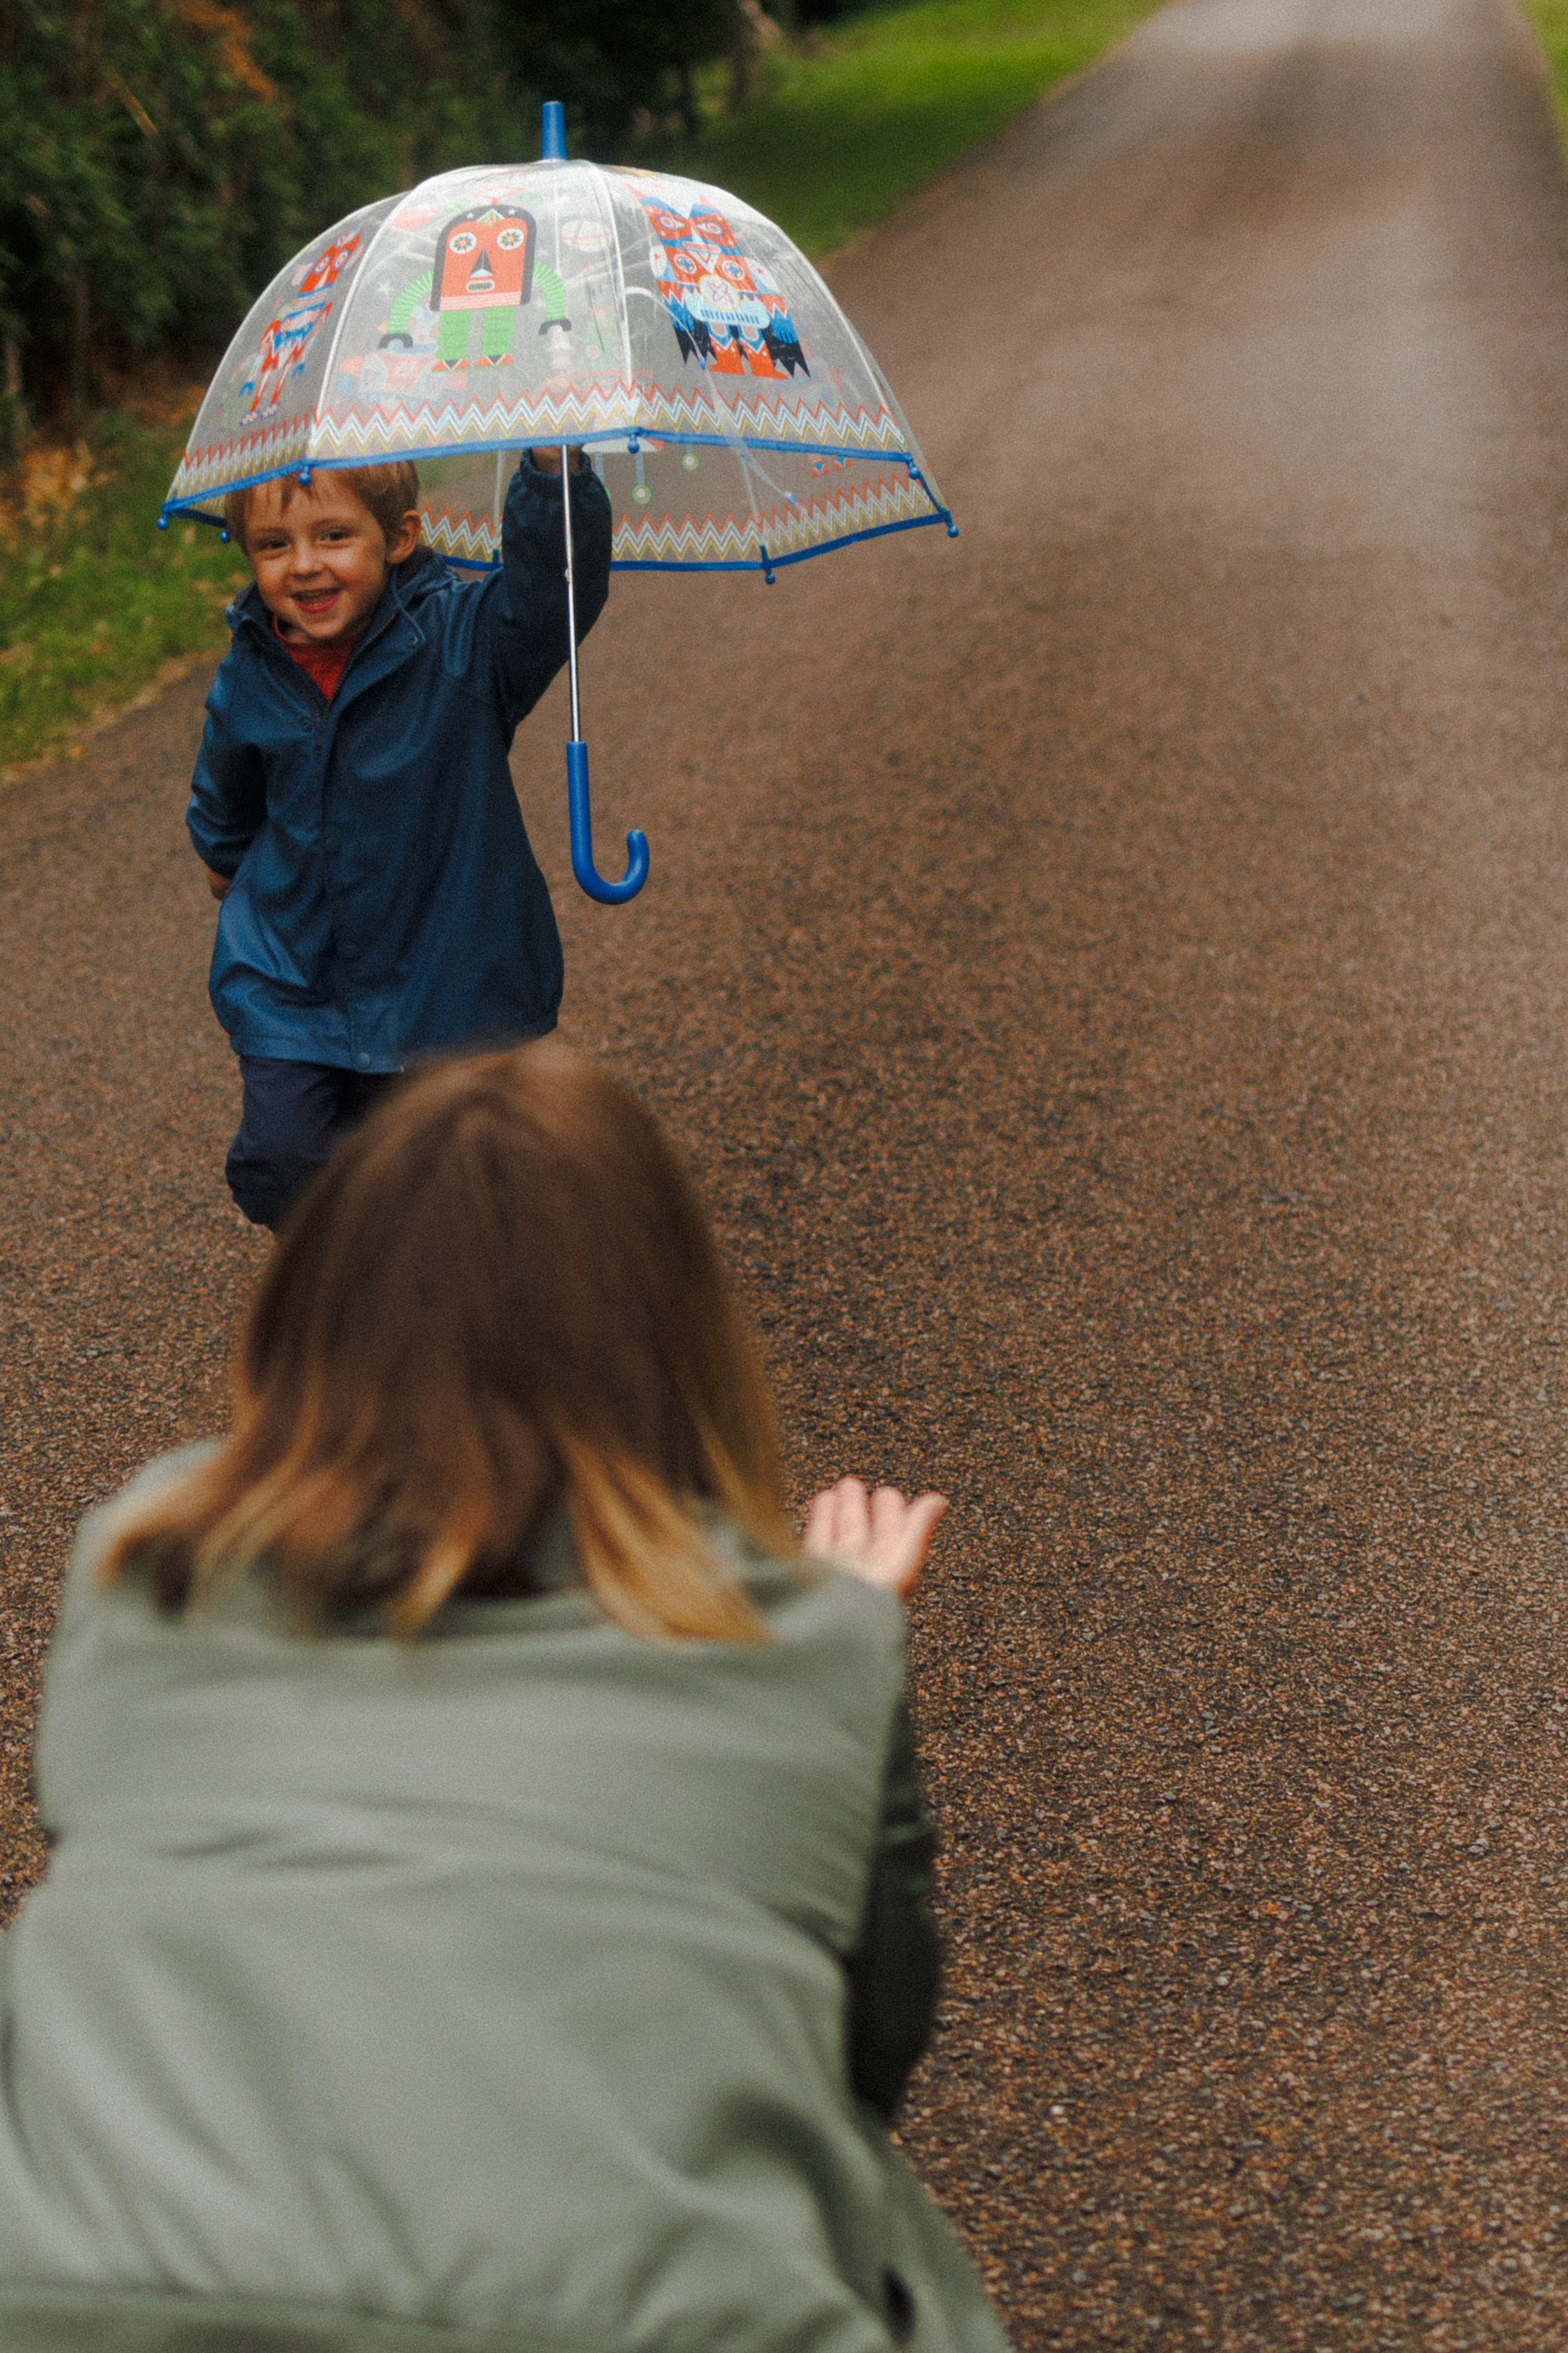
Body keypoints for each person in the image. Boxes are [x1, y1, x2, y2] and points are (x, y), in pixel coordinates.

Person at [0, 1043, 1010, 2353]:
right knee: (893, 2247)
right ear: (669, 1336)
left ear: (318, 1303)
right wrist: (849, 1631)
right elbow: (866, 2049)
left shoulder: (142, 1559)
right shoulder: (805, 1637)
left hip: (70, 2295)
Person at [187, 447, 612, 1232]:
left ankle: (426, 1276)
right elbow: (226, 788)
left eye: (334, 536)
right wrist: (223, 858)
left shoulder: (462, 642)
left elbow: (548, 597)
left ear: (400, 536)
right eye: (274, 545)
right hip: (291, 974)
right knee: (282, 1160)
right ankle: (342, 1261)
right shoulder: (252, 664)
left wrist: (554, 478)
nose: (304, 566)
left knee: (453, 1179)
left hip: (446, 977)